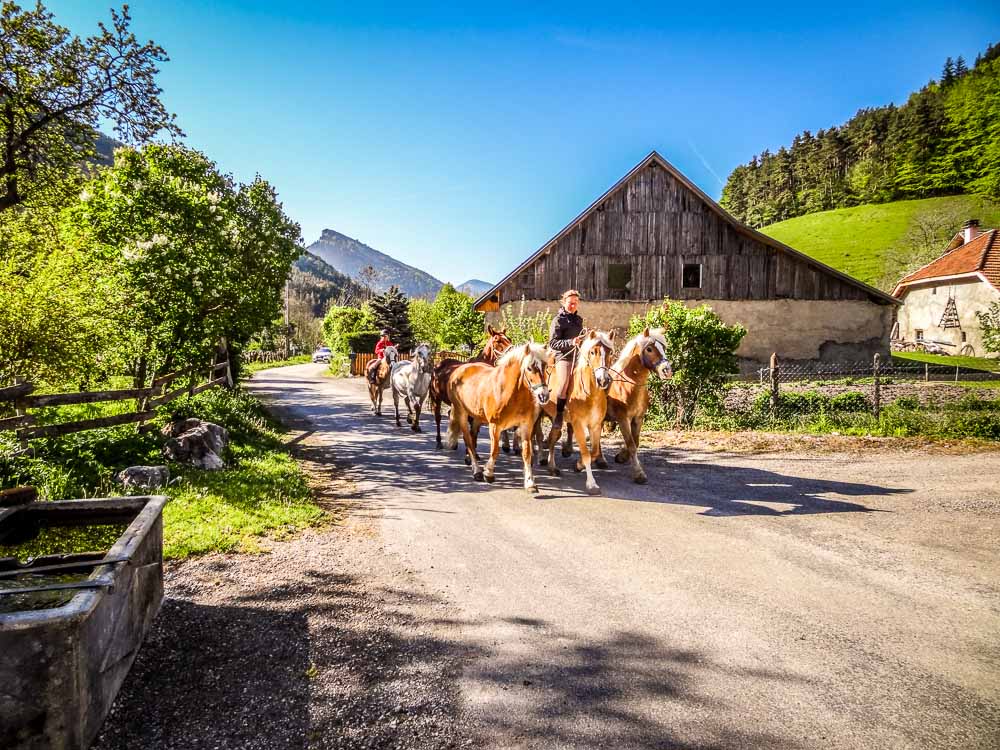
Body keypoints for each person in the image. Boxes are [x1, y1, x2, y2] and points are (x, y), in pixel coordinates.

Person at [547, 289, 586, 432]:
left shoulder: (579, 320)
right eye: (570, 303)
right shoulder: (558, 320)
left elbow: (579, 339)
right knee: (563, 384)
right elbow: (553, 343)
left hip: (579, 356)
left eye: (575, 303)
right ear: (564, 302)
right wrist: (571, 342)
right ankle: (558, 414)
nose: (572, 306)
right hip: (563, 357)